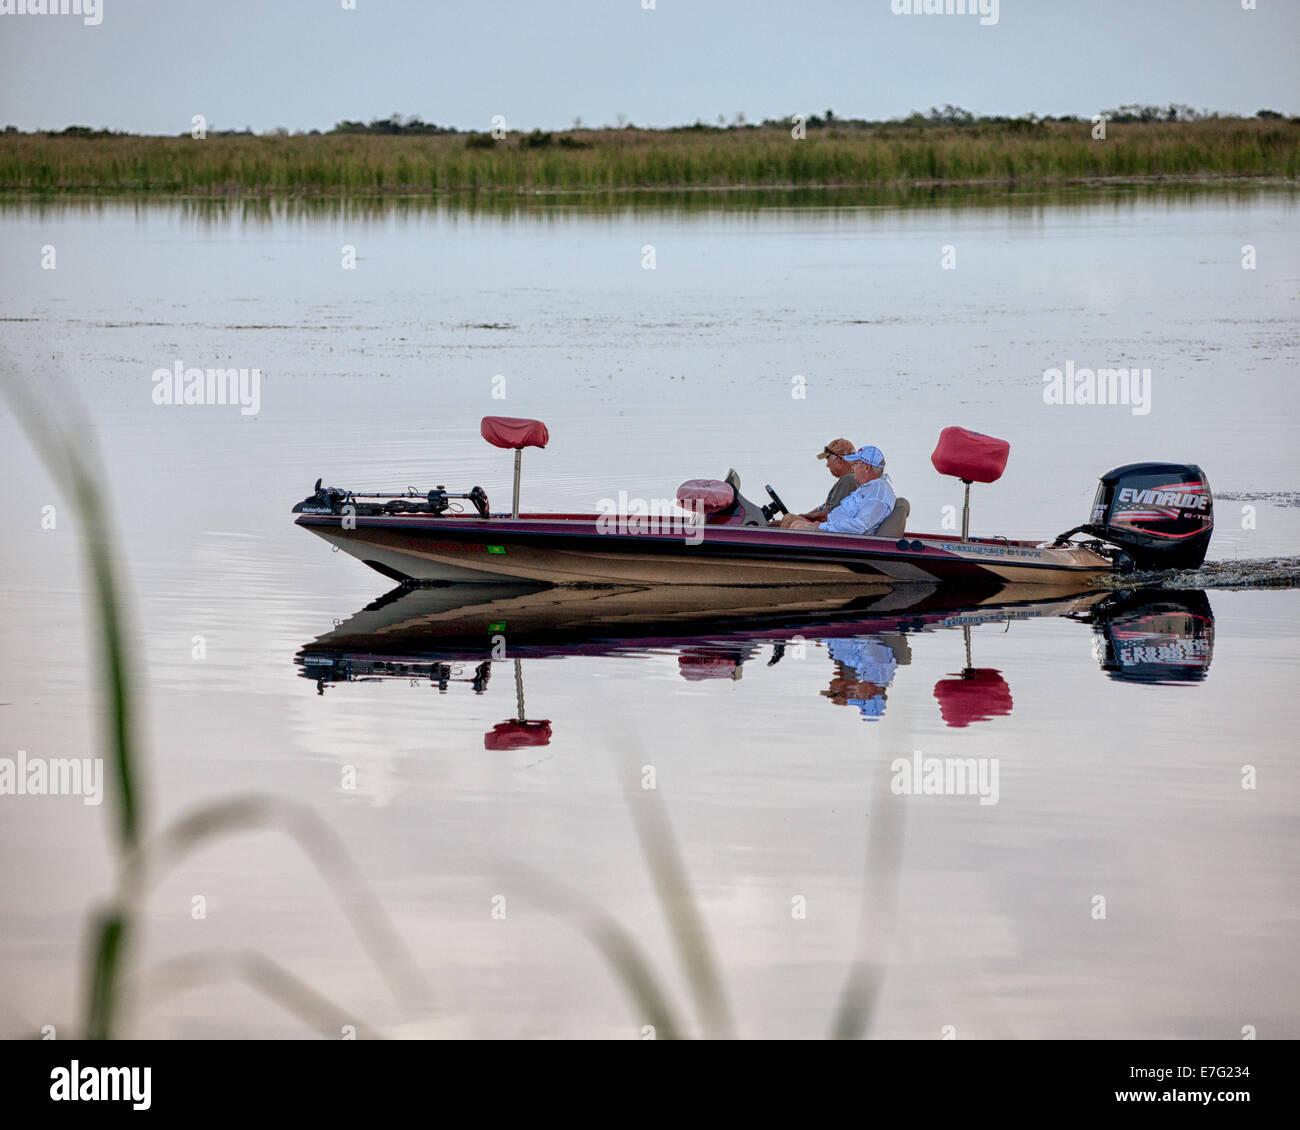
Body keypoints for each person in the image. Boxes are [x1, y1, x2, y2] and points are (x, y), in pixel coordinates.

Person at [779, 445, 895, 535]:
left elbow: (859, 526)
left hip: (841, 539)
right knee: (794, 523)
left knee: (797, 526)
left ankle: (779, 560)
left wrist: (821, 527)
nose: (853, 467)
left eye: (856, 464)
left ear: (867, 467)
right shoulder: (869, 488)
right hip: (834, 530)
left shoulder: (877, 493)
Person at [778, 438, 859, 526]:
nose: (827, 465)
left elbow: (827, 515)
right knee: (775, 524)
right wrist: (805, 516)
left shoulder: (848, 480)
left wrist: (805, 516)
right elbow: (824, 508)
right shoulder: (849, 480)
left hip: (831, 528)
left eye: (828, 460)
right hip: (829, 524)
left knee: (789, 518)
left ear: (838, 460)